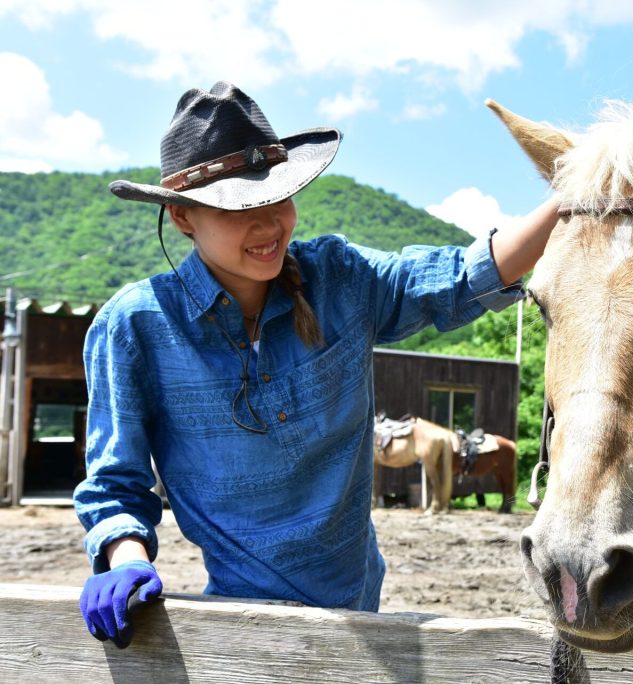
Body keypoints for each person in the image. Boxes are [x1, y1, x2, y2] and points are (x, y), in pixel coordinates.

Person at [73, 81, 559, 647]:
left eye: (278, 197)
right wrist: (125, 558)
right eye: (239, 208)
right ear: (183, 217)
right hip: (238, 631)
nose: (268, 223)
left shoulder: (340, 280)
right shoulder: (135, 327)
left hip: (360, 620)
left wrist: (573, 192)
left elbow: (462, 276)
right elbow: (116, 483)